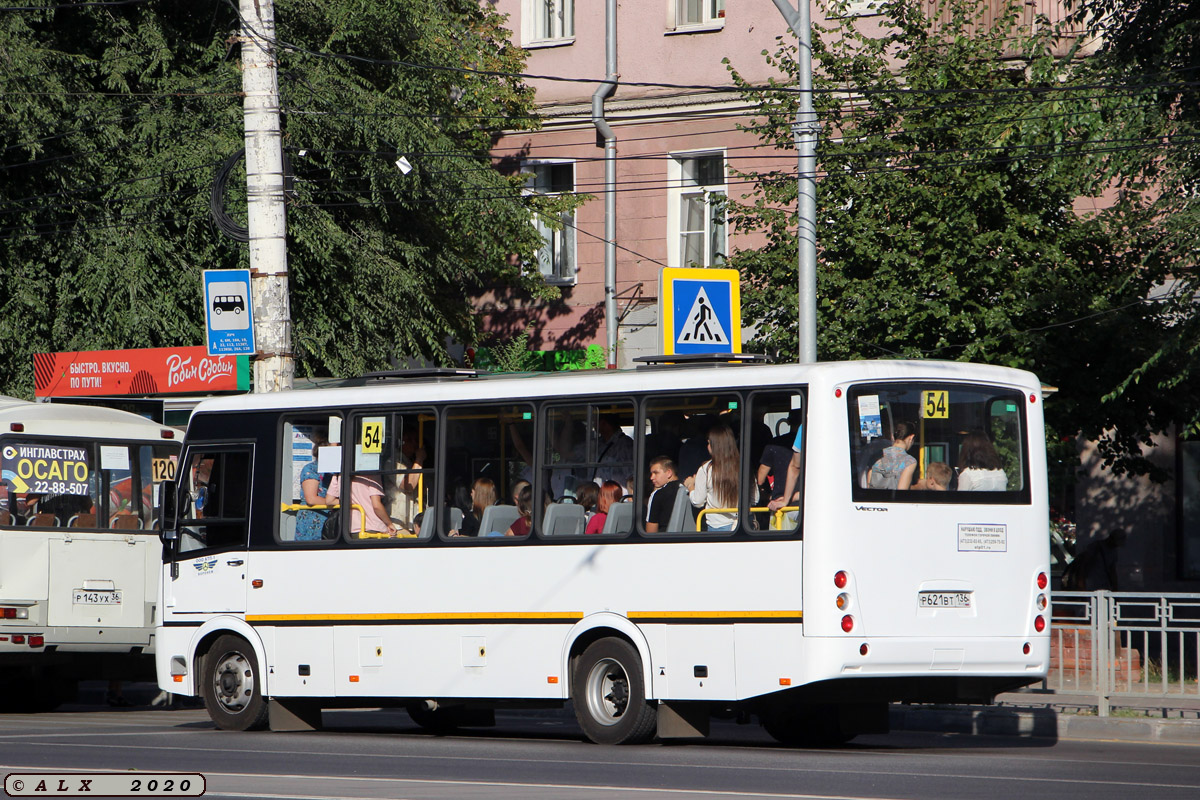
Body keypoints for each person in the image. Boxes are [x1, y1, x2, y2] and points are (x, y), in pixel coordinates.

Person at [684, 422, 739, 531]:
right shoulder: (744, 466)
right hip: (743, 525)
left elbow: (698, 501)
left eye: (709, 443)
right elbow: (755, 498)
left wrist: (691, 486)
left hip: (717, 526)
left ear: (715, 446)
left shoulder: (706, 469)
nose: (707, 446)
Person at [326, 472, 400, 537]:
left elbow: (329, 500)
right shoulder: (372, 474)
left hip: (350, 529)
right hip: (373, 528)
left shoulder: (339, 474)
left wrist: (351, 502)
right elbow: (376, 506)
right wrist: (389, 524)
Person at [385, 428, 426, 532]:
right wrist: (419, 459)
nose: (414, 444)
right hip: (398, 524)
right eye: (410, 440)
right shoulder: (393, 462)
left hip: (412, 523)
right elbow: (409, 485)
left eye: (416, 440)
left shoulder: (409, 463)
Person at [295, 432, 331, 541]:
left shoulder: (333, 472)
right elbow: (311, 498)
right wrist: (335, 502)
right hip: (312, 520)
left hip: (329, 519)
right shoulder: (311, 469)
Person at [868, 421, 918, 490]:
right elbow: (902, 492)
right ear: (911, 438)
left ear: (892, 436)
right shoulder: (909, 461)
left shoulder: (876, 456)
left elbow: (869, 486)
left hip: (873, 499)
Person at [645, 456, 684, 533]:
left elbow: (651, 532)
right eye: (651, 474)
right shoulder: (688, 490)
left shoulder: (657, 495)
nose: (651, 477)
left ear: (669, 473)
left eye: (656, 473)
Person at [592, 413, 634, 485]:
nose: (594, 426)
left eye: (596, 422)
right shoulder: (597, 443)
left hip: (615, 492)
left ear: (604, 423)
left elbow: (631, 475)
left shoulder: (625, 444)